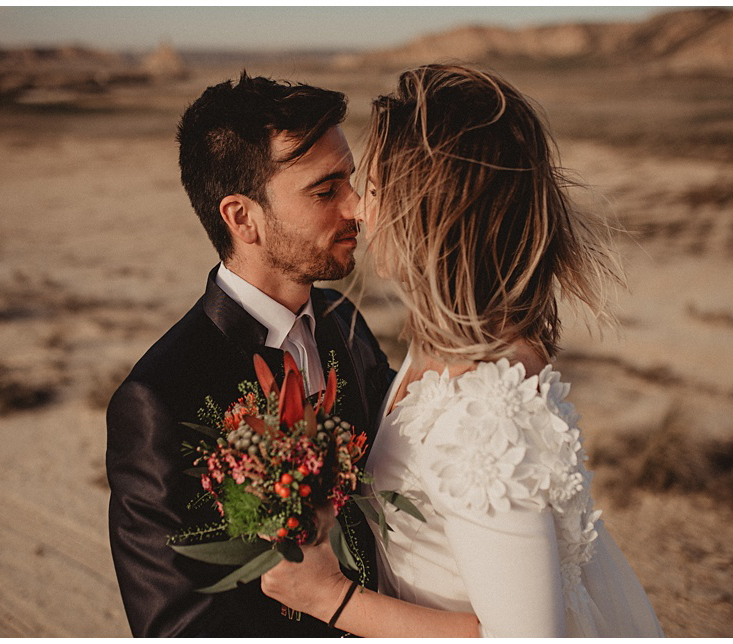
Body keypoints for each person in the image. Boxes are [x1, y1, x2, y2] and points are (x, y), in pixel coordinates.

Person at [259, 64, 662, 637]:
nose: (356, 210)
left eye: (371, 190)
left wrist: (331, 598)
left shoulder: (484, 415)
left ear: (427, 217)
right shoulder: (448, 341)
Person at [105, 73, 395, 637]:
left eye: (351, 183)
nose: (358, 209)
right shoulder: (160, 398)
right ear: (242, 219)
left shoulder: (348, 323)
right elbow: (179, 627)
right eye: (325, 190)